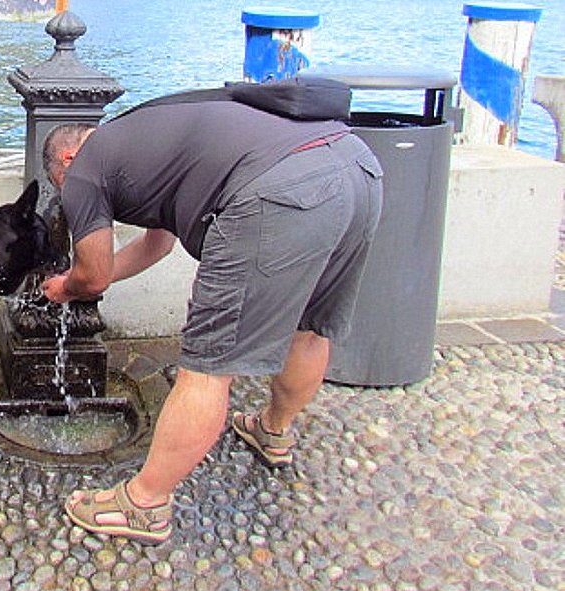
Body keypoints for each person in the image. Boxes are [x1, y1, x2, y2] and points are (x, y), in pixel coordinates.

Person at [39, 95, 383, 544]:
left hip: (276, 192)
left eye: (61, 186)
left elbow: (95, 275)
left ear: (67, 158)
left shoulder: (83, 170)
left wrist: (66, 286)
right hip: (354, 166)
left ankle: (144, 503)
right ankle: (272, 432)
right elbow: (155, 246)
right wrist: (84, 278)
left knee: (207, 367)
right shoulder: (140, 137)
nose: (70, 197)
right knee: (310, 327)